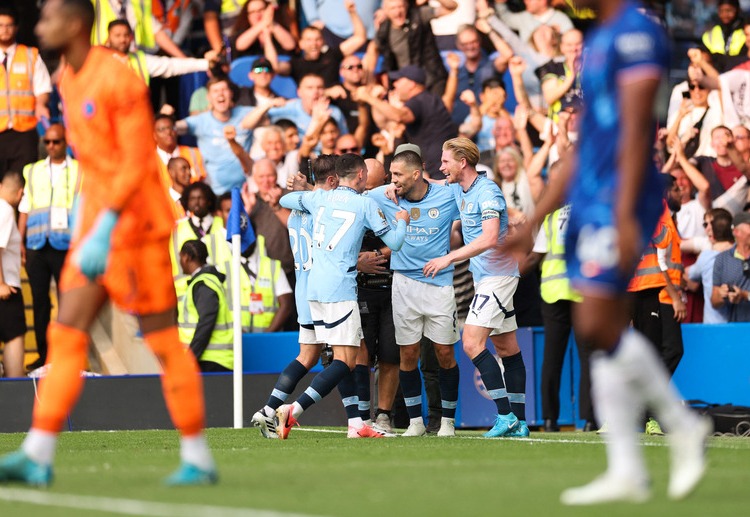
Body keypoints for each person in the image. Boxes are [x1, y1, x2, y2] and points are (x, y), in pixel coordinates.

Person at [0, 0, 216, 486]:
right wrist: (87, 218)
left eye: (49, 16)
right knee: (65, 332)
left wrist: (104, 224)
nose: (39, 24)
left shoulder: (117, 80)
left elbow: (138, 162)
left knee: (162, 341)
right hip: (98, 226)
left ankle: (197, 455)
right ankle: (38, 452)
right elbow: (97, 164)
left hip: (136, 230)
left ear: (75, 24)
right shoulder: (67, 79)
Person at [509, 0, 710, 504]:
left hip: (620, 198)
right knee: (597, 330)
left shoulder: (635, 33)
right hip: (592, 199)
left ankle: (679, 426)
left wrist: (622, 213)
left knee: (597, 325)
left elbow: (637, 129)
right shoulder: (596, 42)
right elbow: (583, 147)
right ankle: (629, 466)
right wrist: (534, 219)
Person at [274, 153, 409, 439]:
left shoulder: (320, 198)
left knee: (336, 356)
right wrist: (402, 220)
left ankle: (356, 424)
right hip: (340, 289)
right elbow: (395, 242)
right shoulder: (365, 204)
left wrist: (310, 192)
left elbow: (285, 201)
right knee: (346, 361)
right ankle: (293, 410)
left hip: (314, 290)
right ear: (361, 175)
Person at [423, 137, 529, 438]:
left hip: (499, 275)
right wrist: (397, 184)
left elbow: (490, 238)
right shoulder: (458, 188)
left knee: (470, 342)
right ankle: (520, 422)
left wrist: (449, 258)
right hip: (487, 277)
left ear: (462, 163)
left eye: (445, 162)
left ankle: (505, 414)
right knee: (507, 347)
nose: (442, 167)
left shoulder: (488, 192)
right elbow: (429, 185)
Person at [369, 150, 462, 437]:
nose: (392, 180)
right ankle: (415, 423)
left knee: (444, 352)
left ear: (415, 174)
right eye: (391, 175)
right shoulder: (383, 196)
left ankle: (447, 421)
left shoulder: (447, 196)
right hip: (403, 285)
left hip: (439, 285)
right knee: (407, 354)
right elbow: (350, 198)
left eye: (397, 175)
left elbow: (472, 195)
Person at [251, 155, 341, 438]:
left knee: (307, 355)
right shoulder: (322, 209)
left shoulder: (295, 212)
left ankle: (268, 410)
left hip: (302, 288)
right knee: (346, 357)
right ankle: (354, 419)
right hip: (322, 289)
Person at [16, 124, 80, 371]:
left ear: (65, 143)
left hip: (66, 246)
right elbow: (25, 207)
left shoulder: (78, 170)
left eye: (57, 142)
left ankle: (67, 355)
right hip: (37, 245)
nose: (51, 146)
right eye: (48, 142)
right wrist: (20, 242)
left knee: (69, 303)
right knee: (40, 302)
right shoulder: (33, 171)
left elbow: (84, 207)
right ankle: (44, 355)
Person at [357, 66, 457, 179]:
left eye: (398, 80)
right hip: (447, 164)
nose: (395, 85)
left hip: (436, 171)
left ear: (411, 84)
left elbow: (400, 116)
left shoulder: (417, 101)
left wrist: (368, 98)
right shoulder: (433, 98)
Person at [175, 76, 261, 195]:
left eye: (224, 90)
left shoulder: (246, 113)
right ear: (208, 97)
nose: (220, 94)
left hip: (248, 189)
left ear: (231, 93)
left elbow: (276, 113)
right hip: (216, 193)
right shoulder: (200, 121)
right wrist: (167, 118)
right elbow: (173, 128)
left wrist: (270, 104)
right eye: (215, 91)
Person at [365, 0, 456, 96]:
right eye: (393, 8)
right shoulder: (384, 29)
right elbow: (373, 49)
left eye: (400, 7)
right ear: (385, 11)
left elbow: (451, 7)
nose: (398, 12)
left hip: (431, 79)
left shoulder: (419, 15)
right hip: (405, 84)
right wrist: (370, 80)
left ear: (406, 6)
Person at [0, 6, 52, 177]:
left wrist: (41, 104)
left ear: (16, 27)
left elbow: (42, 87)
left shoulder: (31, 55)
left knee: (24, 181)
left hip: (24, 131)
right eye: (0, 25)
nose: (4, 30)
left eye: (8, 25)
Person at [276, 1, 366, 88]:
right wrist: (268, 33)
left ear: (323, 41)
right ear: (301, 44)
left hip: (334, 103)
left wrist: (352, 12)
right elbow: (275, 67)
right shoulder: (296, 64)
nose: (314, 44)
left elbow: (359, 38)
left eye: (317, 39)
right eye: (309, 40)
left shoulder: (332, 55)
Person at [178, 239, 233, 373]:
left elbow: (206, 322)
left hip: (210, 360)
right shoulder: (205, 282)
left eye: (180, 257)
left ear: (186, 257)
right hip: (212, 359)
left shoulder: (203, 284)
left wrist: (190, 358)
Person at [105, 19, 214, 86]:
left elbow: (170, 66)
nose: (123, 40)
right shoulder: (99, 60)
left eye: (126, 35)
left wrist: (206, 64)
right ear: (108, 38)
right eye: (117, 35)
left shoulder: (139, 59)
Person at [686, 208, 735, 323]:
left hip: (728, 323)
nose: (708, 228)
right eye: (705, 224)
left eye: (713, 223)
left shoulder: (706, 256)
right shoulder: (706, 253)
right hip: (717, 324)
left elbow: (689, 277)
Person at [0, 170, 26, 378]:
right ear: (20, 193)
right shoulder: (5, 210)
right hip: (5, 286)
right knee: (14, 335)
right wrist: (0, 283)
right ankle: (16, 387)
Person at [711, 210, 750, 321]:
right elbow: (714, 300)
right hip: (735, 328)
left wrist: (744, 295)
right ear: (736, 232)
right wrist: (722, 294)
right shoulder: (722, 259)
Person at [154, 114, 206, 186]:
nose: (168, 132)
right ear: (154, 135)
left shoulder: (195, 153)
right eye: (162, 129)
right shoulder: (149, 162)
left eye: (171, 128)